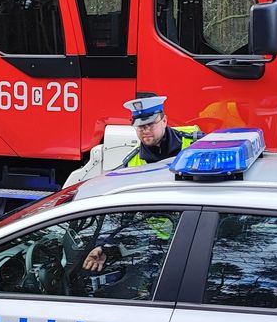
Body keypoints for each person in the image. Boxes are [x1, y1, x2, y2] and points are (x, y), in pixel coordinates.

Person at [82, 96, 201, 274]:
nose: (145, 130)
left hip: (199, 232)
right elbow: (121, 212)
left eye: (150, 124)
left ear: (164, 120)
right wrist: (104, 246)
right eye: (140, 126)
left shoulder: (194, 143)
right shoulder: (132, 163)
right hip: (162, 242)